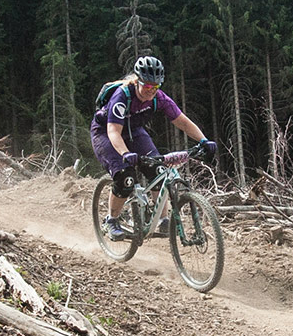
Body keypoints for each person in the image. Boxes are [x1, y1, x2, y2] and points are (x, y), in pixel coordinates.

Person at [91, 55, 216, 239]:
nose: (151, 90)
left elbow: (182, 122)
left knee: (159, 171)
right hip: (106, 133)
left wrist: (203, 141)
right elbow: (113, 131)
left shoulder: (159, 98)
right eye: (147, 86)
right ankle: (111, 220)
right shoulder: (122, 96)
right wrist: (125, 153)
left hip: (134, 131)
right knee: (126, 177)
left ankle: (162, 220)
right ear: (137, 81)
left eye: (155, 86)